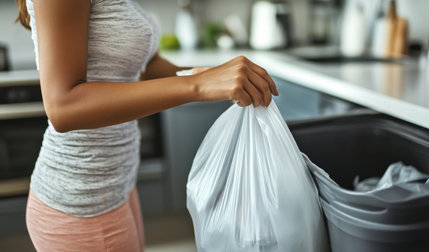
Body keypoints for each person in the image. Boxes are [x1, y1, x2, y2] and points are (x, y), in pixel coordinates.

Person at [15, 0, 278, 251]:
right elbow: (64, 106)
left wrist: (209, 75)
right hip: (82, 197)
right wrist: (198, 86)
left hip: (117, 183)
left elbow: (147, 66)